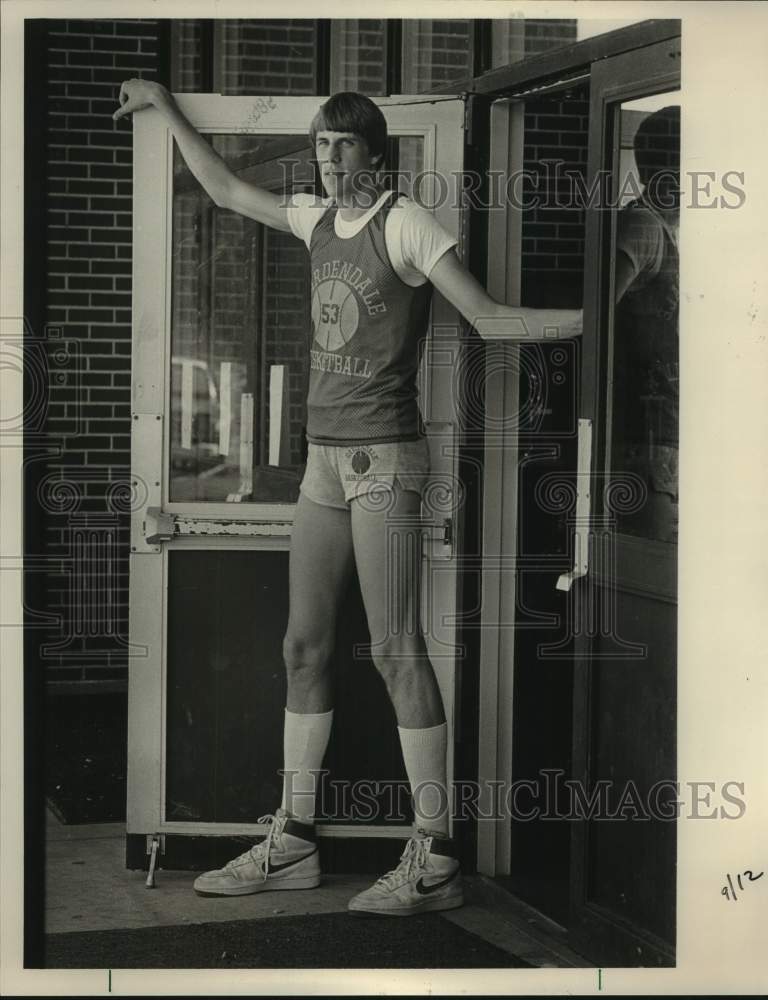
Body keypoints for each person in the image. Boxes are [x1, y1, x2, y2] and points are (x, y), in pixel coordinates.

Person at [113, 81, 582, 916]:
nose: (328, 159)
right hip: (323, 463)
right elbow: (224, 189)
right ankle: (294, 841)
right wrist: (162, 105)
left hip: (385, 460)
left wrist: (597, 321)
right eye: (319, 145)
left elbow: (488, 318)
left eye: (342, 145)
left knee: (397, 648)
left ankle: (436, 855)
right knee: (303, 647)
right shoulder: (315, 219)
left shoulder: (405, 224)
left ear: (373, 153)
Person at [613, 105, 680, 543]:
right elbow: (595, 315)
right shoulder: (642, 227)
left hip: (665, 431)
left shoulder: (667, 230)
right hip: (644, 437)